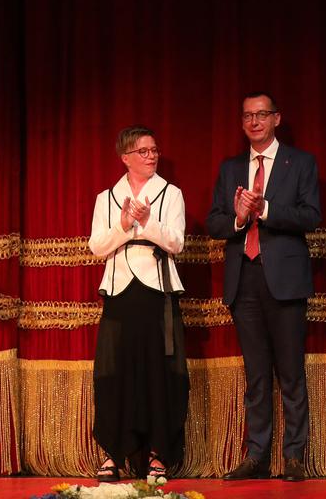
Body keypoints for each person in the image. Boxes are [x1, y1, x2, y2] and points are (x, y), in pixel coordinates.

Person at [204, 92, 320, 482]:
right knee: (255, 375)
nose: (254, 121)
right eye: (248, 116)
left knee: (290, 373)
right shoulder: (231, 167)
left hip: (285, 281)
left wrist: (265, 210)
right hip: (245, 279)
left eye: (261, 115)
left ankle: (294, 456)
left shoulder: (300, 162)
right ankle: (256, 455)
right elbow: (214, 222)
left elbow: (311, 215)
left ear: (276, 119)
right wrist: (238, 219)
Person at [89, 126, 188, 484]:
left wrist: (146, 223)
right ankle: (115, 452)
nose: (151, 156)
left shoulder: (170, 193)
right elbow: (97, 245)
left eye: (154, 150)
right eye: (143, 151)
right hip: (119, 291)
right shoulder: (107, 198)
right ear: (126, 158)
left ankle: (158, 452)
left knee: (158, 372)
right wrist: (124, 224)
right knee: (116, 373)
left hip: (156, 289)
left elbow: (176, 242)